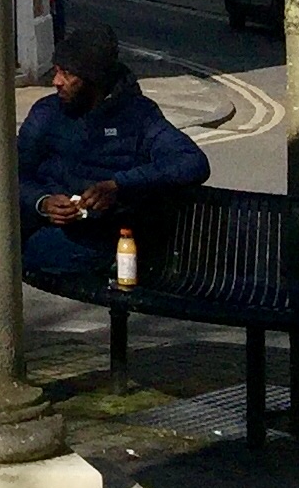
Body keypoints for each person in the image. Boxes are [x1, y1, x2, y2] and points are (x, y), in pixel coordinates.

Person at [17, 18, 208, 291]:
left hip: (111, 237)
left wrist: (119, 186)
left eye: (68, 74)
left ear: (93, 80)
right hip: (47, 227)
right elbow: (14, 172)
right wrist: (42, 201)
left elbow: (191, 161)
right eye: (56, 71)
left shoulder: (138, 115)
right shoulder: (46, 113)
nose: (56, 82)